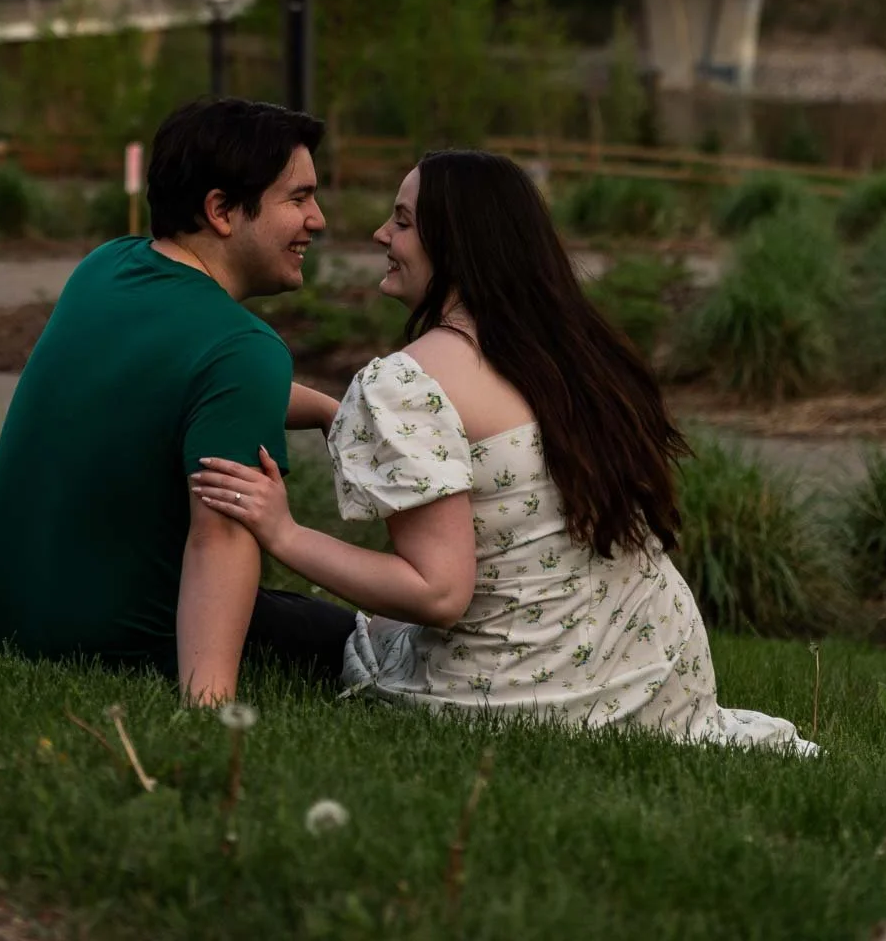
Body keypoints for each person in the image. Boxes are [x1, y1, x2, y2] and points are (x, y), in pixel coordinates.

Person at [193, 149, 816, 751]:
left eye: (404, 221)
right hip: (652, 683)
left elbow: (438, 594)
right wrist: (325, 411)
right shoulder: (580, 359)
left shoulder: (405, 385)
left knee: (285, 624)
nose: (381, 234)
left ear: (460, 247)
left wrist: (285, 532)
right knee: (368, 628)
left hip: (512, 699)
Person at [0, 98, 350, 704]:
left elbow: (178, 380)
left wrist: (322, 410)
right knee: (357, 642)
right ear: (221, 210)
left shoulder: (107, 266)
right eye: (297, 198)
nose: (317, 220)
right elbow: (220, 534)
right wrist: (208, 703)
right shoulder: (245, 348)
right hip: (96, 630)